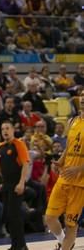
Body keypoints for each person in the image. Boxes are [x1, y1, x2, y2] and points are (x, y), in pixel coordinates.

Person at [44, 92, 84, 250]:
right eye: (82, 96)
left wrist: (78, 169)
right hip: (65, 177)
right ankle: (63, 241)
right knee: (50, 217)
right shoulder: (73, 120)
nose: (82, 99)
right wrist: (61, 160)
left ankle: (67, 243)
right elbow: (69, 146)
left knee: (71, 225)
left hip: (80, 183)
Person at [0, 121, 29, 250]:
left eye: (7, 128)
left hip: (16, 185)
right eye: (2, 128)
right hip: (6, 185)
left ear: (12, 130)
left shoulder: (18, 144)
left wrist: (22, 183)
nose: (5, 131)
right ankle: (15, 244)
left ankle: (21, 245)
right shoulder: (0, 147)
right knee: (9, 216)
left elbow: (25, 163)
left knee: (15, 215)